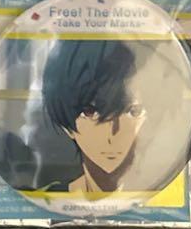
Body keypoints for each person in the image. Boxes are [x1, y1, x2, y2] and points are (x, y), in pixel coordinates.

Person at [41, 39, 147, 193]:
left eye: (133, 111)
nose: (113, 134)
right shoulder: (50, 196)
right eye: (90, 112)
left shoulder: (163, 192)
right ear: (67, 127)